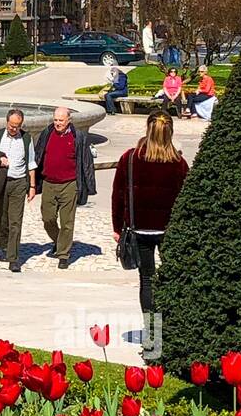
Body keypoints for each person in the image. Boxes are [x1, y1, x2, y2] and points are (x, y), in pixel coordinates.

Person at [112, 111, 189, 362]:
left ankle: (152, 337)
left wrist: (117, 226)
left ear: (147, 130)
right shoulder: (178, 163)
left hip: (139, 229)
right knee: (172, 279)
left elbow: (118, 194)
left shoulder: (131, 159)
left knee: (147, 280)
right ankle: (172, 331)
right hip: (169, 230)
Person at [33, 106, 97, 269]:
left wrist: (89, 186)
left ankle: (63, 254)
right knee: (48, 219)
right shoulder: (47, 134)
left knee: (67, 222)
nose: (57, 123)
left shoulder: (79, 137)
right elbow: (38, 155)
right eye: (55, 120)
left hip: (69, 184)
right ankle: (59, 241)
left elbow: (87, 163)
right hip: (49, 182)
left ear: (69, 120)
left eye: (61, 120)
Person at [0, 108, 36, 271]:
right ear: (6, 122)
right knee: (2, 218)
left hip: (18, 183)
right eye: (11, 126)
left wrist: (32, 186)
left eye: (17, 126)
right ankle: (4, 246)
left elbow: (31, 163)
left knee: (15, 221)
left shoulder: (26, 139)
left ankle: (13, 258)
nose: (14, 129)